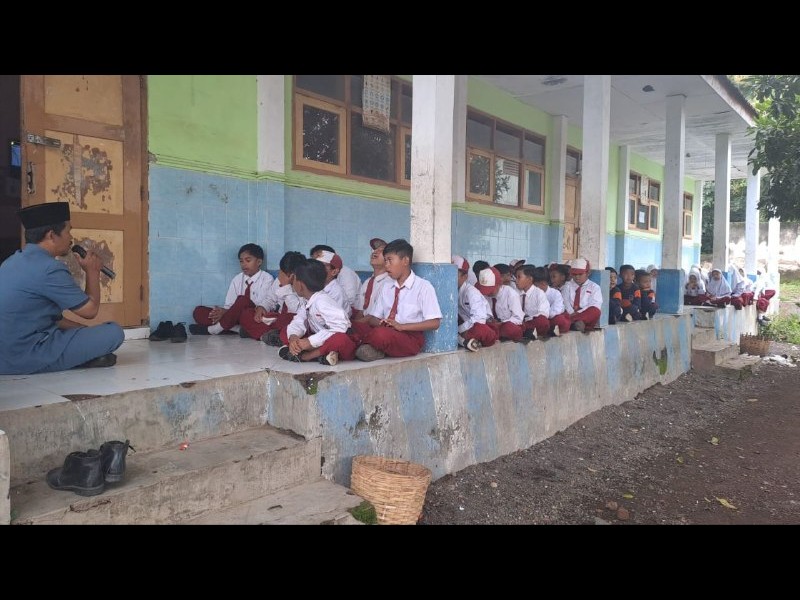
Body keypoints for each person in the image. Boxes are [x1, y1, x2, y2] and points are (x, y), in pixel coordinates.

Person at [0, 201, 124, 374]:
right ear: (51, 235)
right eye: (68, 231)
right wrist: (92, 272)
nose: (71, 238)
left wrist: (85, 335)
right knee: (114, 333)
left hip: (5, 355)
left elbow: (54, 319)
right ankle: (82, 357)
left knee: (89, 336)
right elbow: (90, 311)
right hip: (25, 357)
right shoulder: (49, 268)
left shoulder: (10, 262)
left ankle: (85, 353)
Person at [354, 239, 442, 361]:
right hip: (387, 330)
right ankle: (374, 348)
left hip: (409, 337)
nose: (386, 265)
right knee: (355, 326)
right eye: (385, 261)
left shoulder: (423, 287)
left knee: (380, 335)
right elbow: (374, 318)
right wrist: (383, 322)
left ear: (405, 261)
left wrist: (401, 326)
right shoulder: (386, 286)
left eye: (390, 260)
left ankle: (361, 345)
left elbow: (434, 323)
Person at [278, 259, 356, 366]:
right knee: (287, 331)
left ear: (300, 285)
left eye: (294, 280)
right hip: (320, 338)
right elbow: (299, 320)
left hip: (343, 340)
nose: (292, 284)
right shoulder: (307, 300)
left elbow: (342, 327)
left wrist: (310, 341)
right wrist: (294, 338)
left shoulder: (322, 301)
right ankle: (323, 355)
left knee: (339, 340)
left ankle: (306, 356)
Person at [189, 243, 274, 336]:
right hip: (233, 317)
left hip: (252, 315)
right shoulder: (237, 279)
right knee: (198, 312)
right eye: (241, 261)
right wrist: (222, 312)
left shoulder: (267, 278)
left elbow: (260, 306)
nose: (244, 264)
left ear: (259, 262)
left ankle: (215, 329)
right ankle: (237, 329)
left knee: (243, 300)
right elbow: (229, 305)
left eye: (248, 260)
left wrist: (228, 312)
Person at [239, 250, 305, 343]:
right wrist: (262, 308)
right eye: (281, 271)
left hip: (290, 320)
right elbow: (270, 299)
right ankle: (268, 335)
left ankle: (256, 333)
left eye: (284, 273)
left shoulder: (304, 284)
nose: (281, 275)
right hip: (276, 319)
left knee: (290, 320)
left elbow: (296, 311)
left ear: (293, 275)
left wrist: (286, 286)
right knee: (246, 314)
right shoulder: (279, 280)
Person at [453, 255, 497, 351]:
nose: (450, 277)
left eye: (454, 274)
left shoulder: (472, 292)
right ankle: (466, 342)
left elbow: (479, 319)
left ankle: (464, 339)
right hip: (465, 325)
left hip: (483, 325)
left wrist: (460, 329)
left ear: (465, 277)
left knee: (480, 330)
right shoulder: (452, 290)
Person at [476, 266, 524, 342]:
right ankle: (492, 336)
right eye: (485, 290)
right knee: (478, 327)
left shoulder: (511, 294)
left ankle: (492, 337)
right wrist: (489, 320)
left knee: (511, 329)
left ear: (499, 284)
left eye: (490, 290)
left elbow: (518, 318)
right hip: (491, 326)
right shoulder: (482, 294)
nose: (488, 293)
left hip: (505, 325)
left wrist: (501, 323)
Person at [310, 244, 360, 311]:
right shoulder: (318, 279)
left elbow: (350, 300)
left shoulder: (346, 274)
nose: (316, 268)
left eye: (322, 265)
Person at [351, 238, 390, 321]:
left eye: (381, 250)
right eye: (374, 249)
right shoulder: (368, 282)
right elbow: (361, 311)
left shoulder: (389, 283)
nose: (374, 252)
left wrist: (356, 325)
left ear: (389, 259)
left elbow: (374, 316)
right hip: (364, 324)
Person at [561, 257, 603, 332]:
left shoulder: (594, 287)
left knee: (595, 311)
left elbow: (594, 304)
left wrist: (578, 313)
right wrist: (571, 312)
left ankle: (571, 323)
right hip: (570, 313)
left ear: (587, 273)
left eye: (580, 274)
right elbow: (565, 301)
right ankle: (577, 324)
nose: (577, 277)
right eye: (574, 274)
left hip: (584, 314)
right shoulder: (567, 285)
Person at [514, 264, 551, 340]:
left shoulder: (539, 293)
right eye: (516, 277)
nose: (516, 280)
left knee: (543, 321)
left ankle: (527, 331)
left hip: (532, 322)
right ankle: (527, 332)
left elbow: (543, 313)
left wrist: (528, 320)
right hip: (518, 323)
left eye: (519, 277)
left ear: (529, 279)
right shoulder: (513, 293)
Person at [531, 266, 570, 336]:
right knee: (539, 322)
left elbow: (556, 310)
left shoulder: (555, 293)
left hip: (551, 319)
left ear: (543, 283)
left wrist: (544, 314)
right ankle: (549, 330)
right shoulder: (532, 294)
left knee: (560, 320)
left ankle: (548, 329)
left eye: (535, 286)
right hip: (540, 319)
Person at [314, 250, 351, 316]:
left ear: (334, 272)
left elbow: (333, 318)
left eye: (322, 266)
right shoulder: (315, 286)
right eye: (316, 265)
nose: (316, 269)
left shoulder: (337, 292)